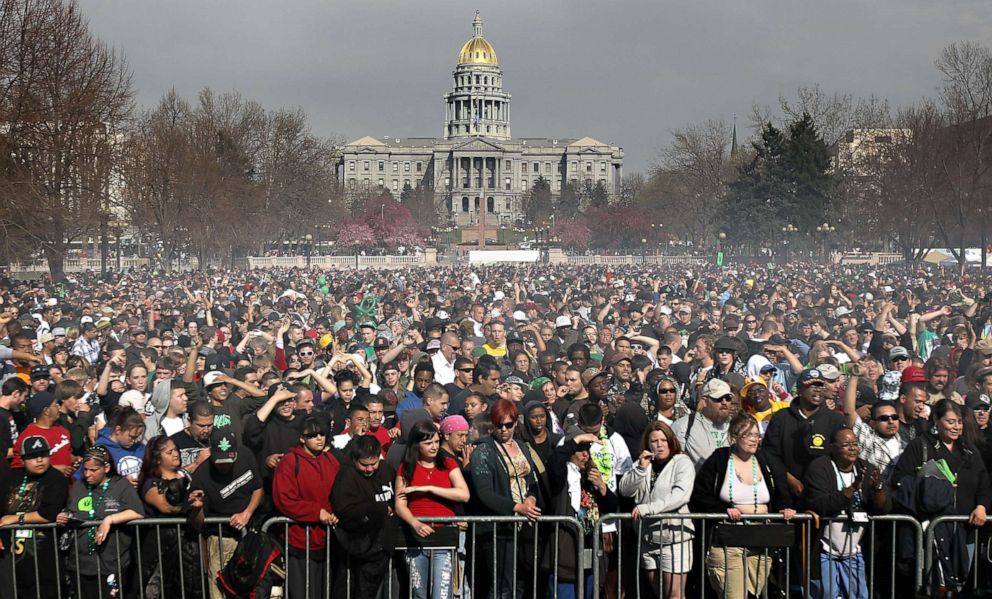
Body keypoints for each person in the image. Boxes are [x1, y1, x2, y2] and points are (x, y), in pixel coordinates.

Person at [893, 399, 992, 594]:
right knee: (933, 586)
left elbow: (984, 484)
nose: (956, 427)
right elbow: (900, 481)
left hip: (966, 530)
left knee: (959, 585)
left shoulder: (969, 449)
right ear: (936, 421)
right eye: (951, 422)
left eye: (960, 422)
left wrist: (982, 506)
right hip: (932, 532)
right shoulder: (919, 446)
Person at [692, 414, 796, 599]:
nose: (754, 439)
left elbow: (781, 491)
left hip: (762, 538)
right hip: (730, 539)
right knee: (734, 595)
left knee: (753, 594)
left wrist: (785, 507)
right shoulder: (720, 458)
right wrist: (722, 510)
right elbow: (700, 494)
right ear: (734, 436)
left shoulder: (766, 460)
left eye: (756, 435)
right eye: (748, 435)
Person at [467, 399, 546, 599]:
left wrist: (531, 499)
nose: (503, 430)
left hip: (524, 526)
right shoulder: (484, 450)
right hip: (498, 528)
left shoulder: (522, 446)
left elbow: (534, 481)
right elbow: (485, 493)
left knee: (520, 583)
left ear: (515, 423)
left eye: (508, 425)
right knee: (501, 585)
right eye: (499, 425)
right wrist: (517, 507)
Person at [801, 428, 890, 599]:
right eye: (846, 445)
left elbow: (882, 508)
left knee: (859, 595)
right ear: (832, 448)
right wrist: (852, 488)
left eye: (855, 444)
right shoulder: (820, 467)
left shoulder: (866, 468)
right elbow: (820, 505)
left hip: (854, 551)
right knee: (826, 594)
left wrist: (877, 487)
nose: (852, 449)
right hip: (824, 551)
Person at [618, 421, 696, 599]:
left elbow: (681, 496)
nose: (659, 445)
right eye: (654, 441)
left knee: (674, 595)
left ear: (671, 441)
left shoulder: (682, 463)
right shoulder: (644, 463)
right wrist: (640, 469)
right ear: (648, 443)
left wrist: (649, 508)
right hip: (648, 538)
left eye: (663, 440)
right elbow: (625, 490)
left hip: (675, 538)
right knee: (660, 593)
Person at [395, 420, 470, 599]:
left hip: (444, 536)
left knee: (442, 593)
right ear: (416, 444)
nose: (434, 447)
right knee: (418, 592)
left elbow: (464, 494)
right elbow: (399, 504)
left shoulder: (447, 463)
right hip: (415, 538)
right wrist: (414, 523)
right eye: (428, 443)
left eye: (436, 441)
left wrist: (429, 488)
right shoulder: (406, 467)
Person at [58, 445, 145, 599]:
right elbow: (71, 510)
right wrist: (63, 516)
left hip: (111, 561)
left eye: (93, 470)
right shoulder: (79, 486)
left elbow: (137, 512)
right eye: (85, 469)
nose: (87, 474)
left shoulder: (120, 484)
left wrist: (109, 519)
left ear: (106, 468)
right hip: (81, 561)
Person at [189, 429, 264, 599]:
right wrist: (197, 508)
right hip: (221, 539)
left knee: (250, 588)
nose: (225, 465)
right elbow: (197, 523)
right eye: (219, 461)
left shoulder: (246, 455)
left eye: (229, 460)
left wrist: (247, 513)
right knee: (218, 590)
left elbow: (258, 488)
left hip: (249, 536)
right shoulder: (201, 476)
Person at [272, 416, 341, 599]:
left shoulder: (331, 460)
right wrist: (316, 512)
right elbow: (284, 499)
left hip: (327, 541)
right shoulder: (289, 461)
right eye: (312, 435)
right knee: (302, 593)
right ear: (302, 438)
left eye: (322, 434)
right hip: (299, 541)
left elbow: (342, 492)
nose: (319, 438)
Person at [0, 435, 69, 599]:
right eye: (32, 457)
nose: (39, 460)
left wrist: (15, 519)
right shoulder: (11, 477)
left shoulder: (56, 478)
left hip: (44, 555)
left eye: (44, 455)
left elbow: (49, 514)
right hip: (11, 554)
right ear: (23, 459)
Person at [330, 435, 397, 599]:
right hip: (355, 546)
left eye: (373, 464)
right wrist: (377, 508)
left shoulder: (387, 469)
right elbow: (344, 510)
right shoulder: (347, 475)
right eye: (364, 465)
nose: (369, 469)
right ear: (354, 459)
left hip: (382, 546)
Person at [763, 369, 846, 500]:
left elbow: (839, 456)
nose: (817, 390)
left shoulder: (835, 419)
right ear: (800, 389)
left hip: (824, 494)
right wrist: (788, 478)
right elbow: (770, 453)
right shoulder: (782, 417)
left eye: (820, 386)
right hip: (787, 494)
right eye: (811, 386)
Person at [137, 434, 202, 599]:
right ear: (158, 459)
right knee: (156, 588)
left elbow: (198, 517)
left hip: (186, 545)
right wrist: (187, 504)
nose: (176, 454)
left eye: (176, 450)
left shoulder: (187, 478)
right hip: (160, 546)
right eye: (170, 452)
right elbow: (166, 506)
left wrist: (197, 507)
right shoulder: (151, 482)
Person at [671, 378, 733, 470]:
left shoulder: (736, 426)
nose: (724, 402)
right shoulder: (683, 426)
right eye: (718, 399)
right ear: (704, 401)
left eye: (728, 398)